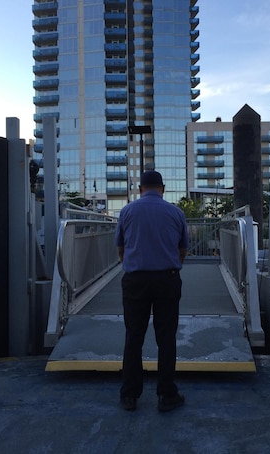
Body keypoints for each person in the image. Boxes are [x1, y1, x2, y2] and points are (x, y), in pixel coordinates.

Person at [115, 170, 189, 412]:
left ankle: (129, 395)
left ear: (140, 189)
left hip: (135, 280)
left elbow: (121, 249)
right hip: (167, 279)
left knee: (133, 337)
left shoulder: (127, 211)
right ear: (163, 188)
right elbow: (182, 250)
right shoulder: (176, 213)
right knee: (166, 337)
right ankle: (167, 394)